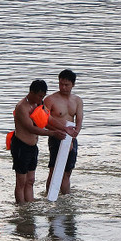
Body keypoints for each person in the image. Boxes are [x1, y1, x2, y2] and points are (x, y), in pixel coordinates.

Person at [9, 80, 66, 204]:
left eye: (43, 96)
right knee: (21, 181)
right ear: (32, 92)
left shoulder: (39, 104)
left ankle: (29, 202)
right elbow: (30, 128)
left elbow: (48, 118)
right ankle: (21, 206)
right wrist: (53, 133)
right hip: (21, 146)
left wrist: (64, 128)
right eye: (40, 96)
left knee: (30, 180)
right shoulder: (21, 107)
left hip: (33, 147)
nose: (42, 99)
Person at [43, 69, 83, 197]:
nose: (63, 87)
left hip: (71, 137)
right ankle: (49, 195)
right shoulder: (50, 100)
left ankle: (66, 197)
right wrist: (59, 132)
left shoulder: (77, 100)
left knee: (67, 172)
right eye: (61, 84)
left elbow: (79, 121)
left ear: (73, 85)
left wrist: (73, 136)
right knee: (54, 170)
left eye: (66, 85)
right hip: (56, 136)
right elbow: (44, 120)